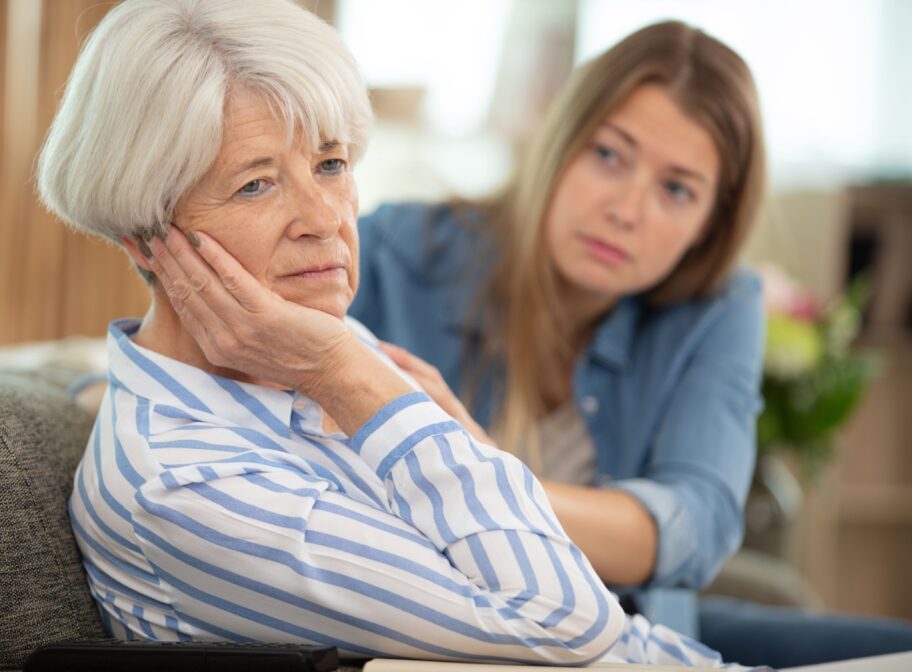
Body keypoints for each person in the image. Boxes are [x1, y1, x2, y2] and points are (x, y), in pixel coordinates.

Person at [37, 0, 754, 667]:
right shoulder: (191, 482)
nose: (326, 218)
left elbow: (678, 547)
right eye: (256, 183)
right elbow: (569, 621)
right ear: (143, 235)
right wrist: (347, 373)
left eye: (331, 164)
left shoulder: (319, 348)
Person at [349, 20, 912, 668]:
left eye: (676, 190)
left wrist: (484, 476)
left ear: (710, 224)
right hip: (427, 630)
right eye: (609, 156)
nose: (627, 210)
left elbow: (696, 523)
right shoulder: (394, 252)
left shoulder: (720, 306)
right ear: (561, 140)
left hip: (623, 634)